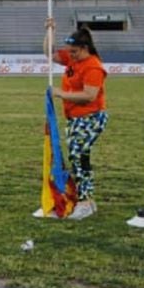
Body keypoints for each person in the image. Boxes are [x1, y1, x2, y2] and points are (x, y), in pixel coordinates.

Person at [44, 19, 108, 219]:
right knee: (76, 155)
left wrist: (61, 93)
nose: (69, 56)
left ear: (84, 48)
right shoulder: (74, 59)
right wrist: (50, 31)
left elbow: (89, 95)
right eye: (69, 52)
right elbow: (49, 53)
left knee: (78, 155)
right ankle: (82, 198)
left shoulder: (93, 67)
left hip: (91, 117)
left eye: (74, 52)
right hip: (74, 118)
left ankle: (86, 200)